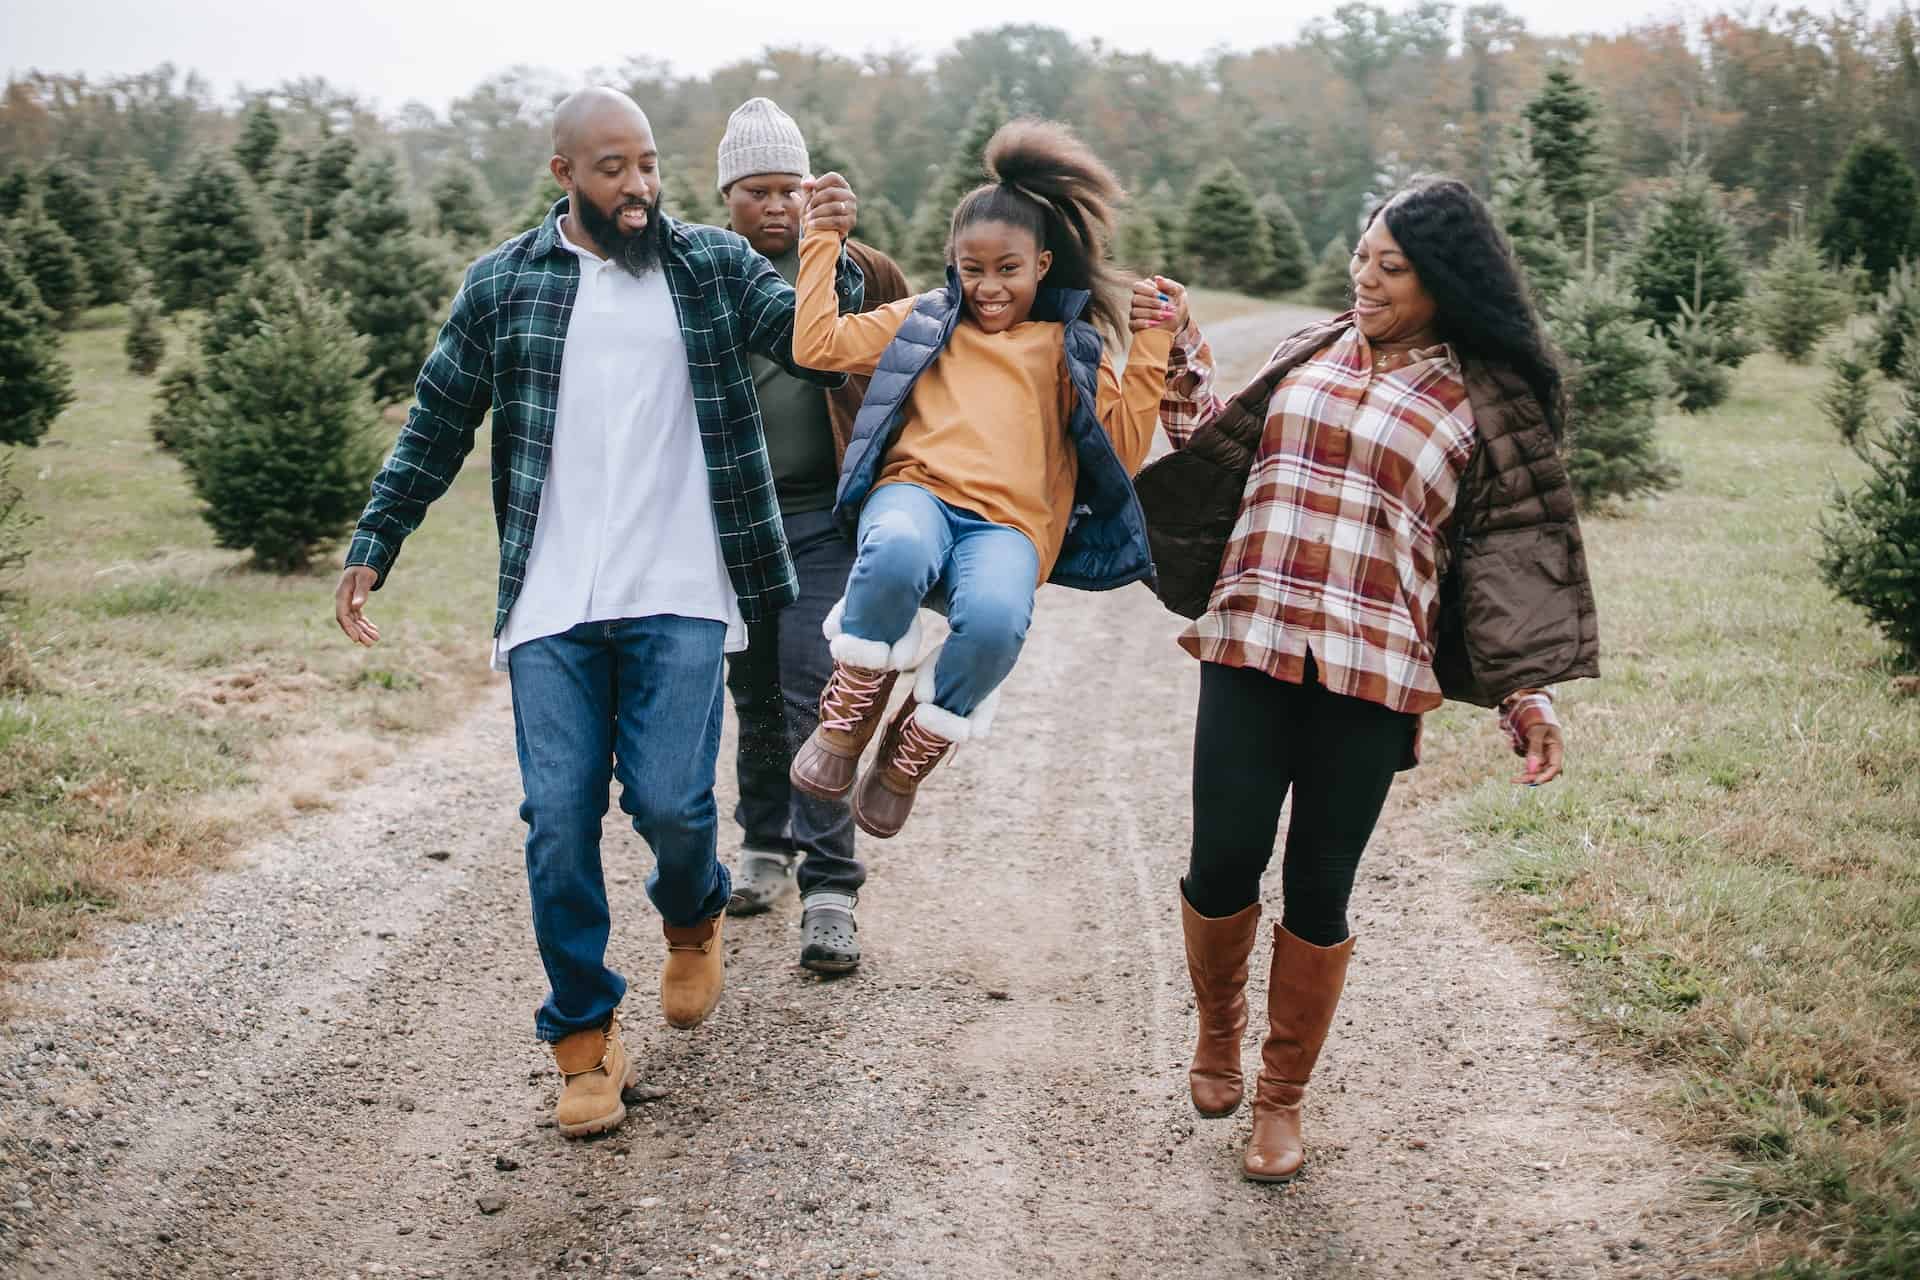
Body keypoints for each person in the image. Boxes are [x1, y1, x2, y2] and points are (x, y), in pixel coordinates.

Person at [330, 87, 865, 1140]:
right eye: (614, 167)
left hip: (678, 588)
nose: (639, 186)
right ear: (564, 173)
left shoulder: (707, 265)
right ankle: (582, 1038)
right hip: (552, 600)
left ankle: (692, 908)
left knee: (672, 803)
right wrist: (375, 540)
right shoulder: (503, 285)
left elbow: (816, 343)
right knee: (558, 823)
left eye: (650, 164)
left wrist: (828, 249)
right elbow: (438, 419)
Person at [1139, 174, 1598, 1183]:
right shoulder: (1309, 347)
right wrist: (1181, 379)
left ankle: (1281, 1097)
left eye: (1391, 266)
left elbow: (1504, 560)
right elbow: (1229, 454)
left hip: (1372, 673)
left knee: (1318, 886)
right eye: (1362, 256)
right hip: (1253, 639)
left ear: (1443, 281)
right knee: (1221, 860)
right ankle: (1218, 1026)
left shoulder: (1484, 402)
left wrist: (1527, 691)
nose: (1366, 277)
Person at [785, 120, 1182, 838]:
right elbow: (817, 346)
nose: (989, 287)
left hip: (1009, 528)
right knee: (898, 549)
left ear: (1042, 264)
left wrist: (1152, 343)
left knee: (998, 623)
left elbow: (1121, 455)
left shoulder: (1069, 347)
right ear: (952, 263)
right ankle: (848, 716)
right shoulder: (924, 322)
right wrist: (822, 241)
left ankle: (912, 747)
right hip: (917, 495)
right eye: (973, 268)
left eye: (1009, 269)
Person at [711, 98, 912, 975]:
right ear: (728, 196)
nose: (777, 206)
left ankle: (831, 888)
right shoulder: (706, 272)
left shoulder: (858, 268)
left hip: (827, 520)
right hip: (731, 522)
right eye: (757, 190)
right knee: (751, 690)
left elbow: (918, 369)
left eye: (790, 189)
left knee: (816, 692)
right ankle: (763, 844)